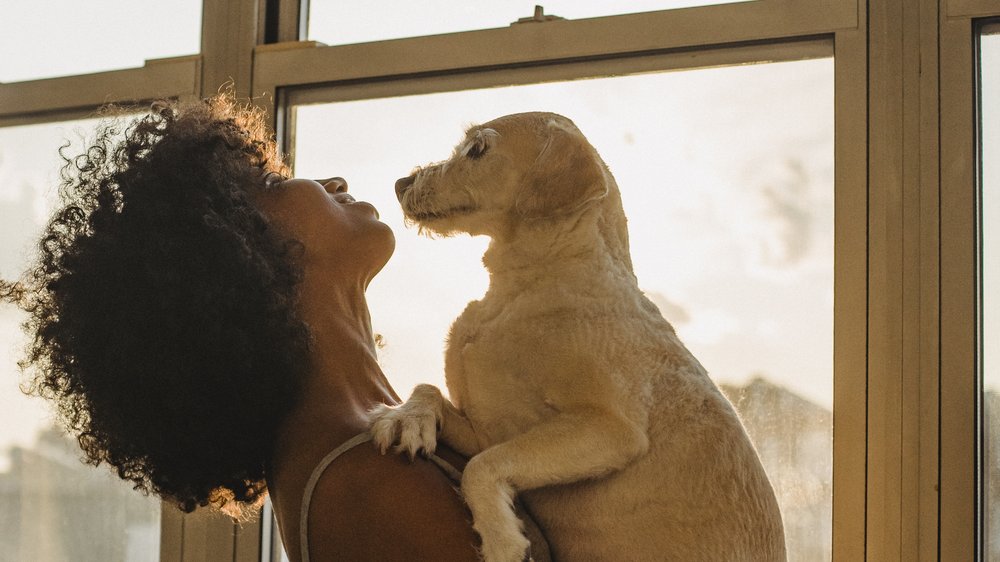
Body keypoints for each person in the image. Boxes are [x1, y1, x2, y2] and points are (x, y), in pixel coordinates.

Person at [0, 96, 548, 561]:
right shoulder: (367, 483)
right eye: (271, 181)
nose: (332, 180)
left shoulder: (373, 435)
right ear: (235, 254)